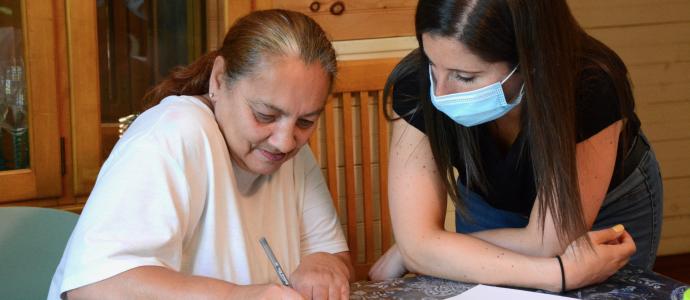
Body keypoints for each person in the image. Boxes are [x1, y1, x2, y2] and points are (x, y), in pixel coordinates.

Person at [49, 9, 353, 299]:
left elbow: (332, 252)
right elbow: (93, 286)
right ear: (219, 80)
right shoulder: (171, 135)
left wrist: (324, 267)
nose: (286, 142)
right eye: (264, 115)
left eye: (306, 121)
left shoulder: (290, 152)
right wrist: (235, 297)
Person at [369, 0, 662, 292]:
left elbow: (547, 242)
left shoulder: (590, 85)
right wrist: (560, 274)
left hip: (604, 210)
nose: (440, 92)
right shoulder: (416, 82)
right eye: (431, 64)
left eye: (465, 77)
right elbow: (420, 245)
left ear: (530, 62)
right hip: (489, 202)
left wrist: (424, 250)